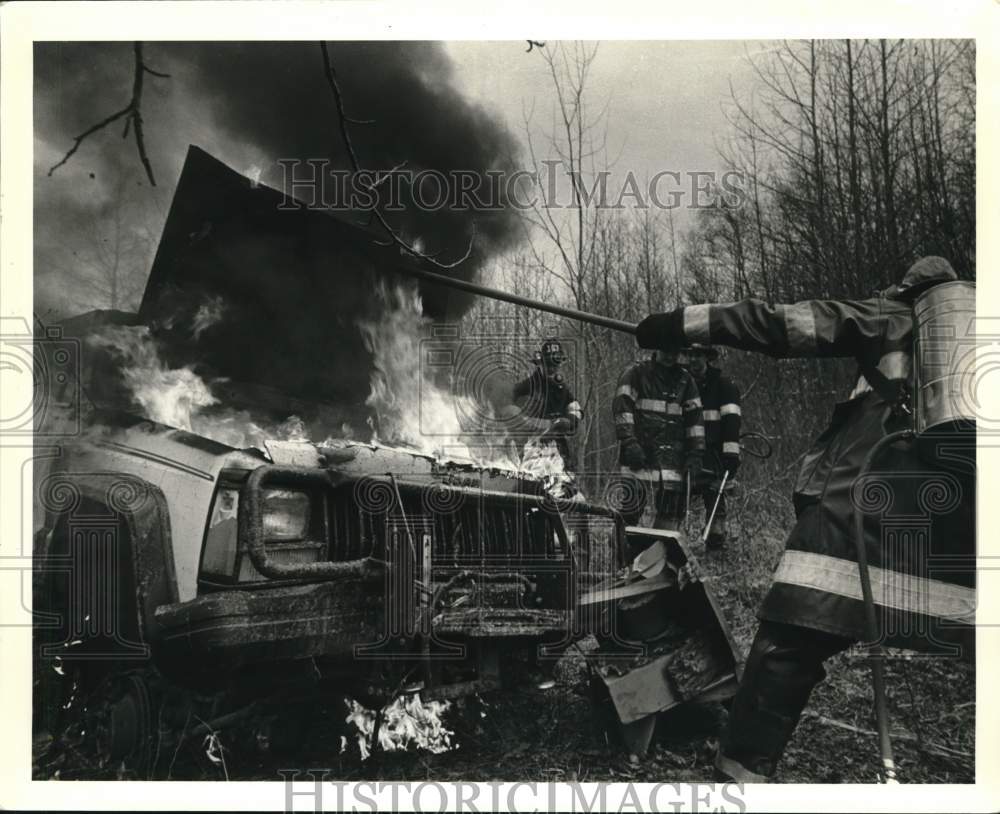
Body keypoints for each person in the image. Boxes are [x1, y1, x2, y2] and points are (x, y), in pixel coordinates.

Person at [635, 256, 976, 782]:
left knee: (791, 634)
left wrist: (675, 323)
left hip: (865, 514)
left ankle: (739, 772)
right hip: (958, 533)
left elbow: (778, 323)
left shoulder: (892, 318)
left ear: (909, 293)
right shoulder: (978, 356)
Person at [612, 348, 704, 529]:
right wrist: (629, 442)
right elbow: (622, 409)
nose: (670, 355)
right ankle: (623, 553)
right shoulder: (636, 374)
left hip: (673, 466)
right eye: (666, 350)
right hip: (639, 460)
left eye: (674, 351)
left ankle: (659, 557)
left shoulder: (686, 381)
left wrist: (696, 454)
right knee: (631, 517)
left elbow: (695, 422)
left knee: (669, 523)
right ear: (656, 348)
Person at [684, 344, 742, 550]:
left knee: (715, 505)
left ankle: (716, 547)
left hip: (715, 456)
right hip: (687, 455)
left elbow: (732, 424)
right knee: (674, 503)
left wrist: (730, 458)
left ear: (707, 357)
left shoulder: (724, 386)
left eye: (698, 355)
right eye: (689, 354)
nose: (693, 360)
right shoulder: (681, 384)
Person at [508, 337, 583, 476]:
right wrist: (521, 419)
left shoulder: (562, 388)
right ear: (541, 364)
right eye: (549, 365)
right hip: (533, 446)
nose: (552, 369)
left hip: (559, 447)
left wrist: (569, 420)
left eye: (556, 365)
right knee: (533, 484)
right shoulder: (530, 385)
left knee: (565, 487)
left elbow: (576, 408)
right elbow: (507, 400)